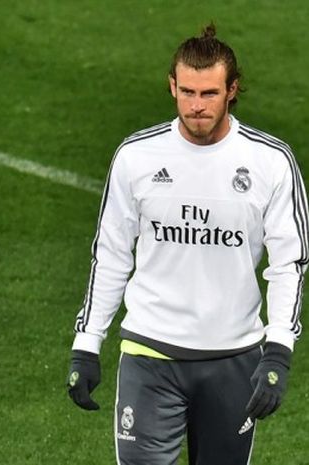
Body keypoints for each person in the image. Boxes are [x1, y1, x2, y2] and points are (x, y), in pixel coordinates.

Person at [66, 24, 307, 465]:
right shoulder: (136, 157)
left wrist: (278, 351)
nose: (197, 107)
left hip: (234, 359)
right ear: (172, 86)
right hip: (149, 352)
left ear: (232, 90)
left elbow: (288, 264)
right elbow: (111, 254)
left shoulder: (270, 163)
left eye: (210, 94)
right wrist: (87, 342)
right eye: (188, 92)